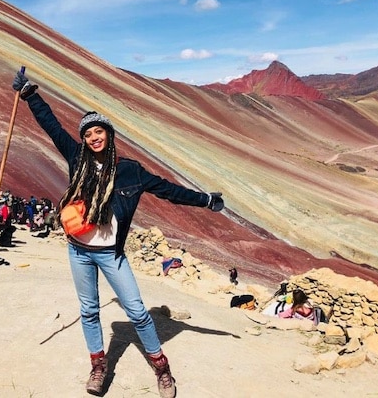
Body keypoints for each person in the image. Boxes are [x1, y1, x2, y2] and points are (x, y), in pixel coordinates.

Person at [12, 69, 225, 398]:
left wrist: (206, 200)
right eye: (88, 133)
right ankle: (98, 365)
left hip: (111, 253)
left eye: (99, 131)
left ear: (109, 134)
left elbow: (170, 191)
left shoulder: (130, 171)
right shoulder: (77, 158)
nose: (93, 137)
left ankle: (161, 367)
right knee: (89, 310)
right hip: (78, 249)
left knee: (137, 311)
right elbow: (51, 125)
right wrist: (29, 94)